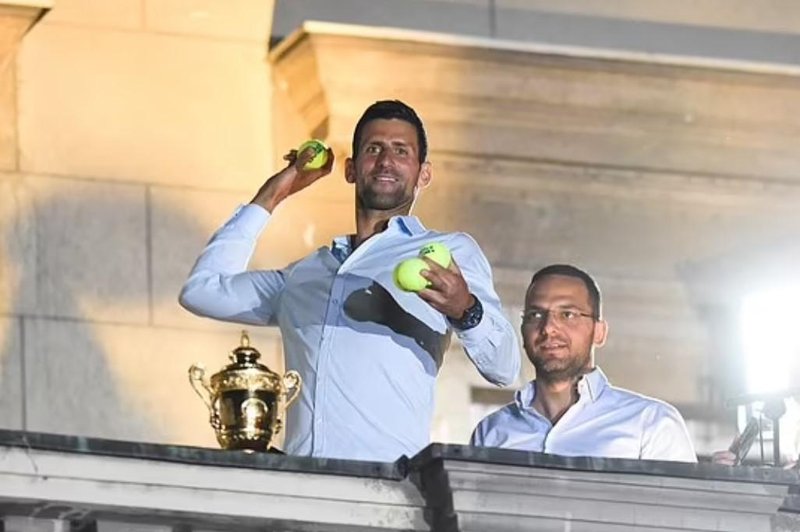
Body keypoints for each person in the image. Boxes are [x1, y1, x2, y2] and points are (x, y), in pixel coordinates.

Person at [180, 100, 520, 462]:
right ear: (351, 169)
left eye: (401, 151)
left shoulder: (448, 252)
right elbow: (202, 291)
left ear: (424, 175)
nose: (386, 160)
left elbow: (504, 368)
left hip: (388, 488)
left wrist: (465, 309)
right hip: (300, 488)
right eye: (374, 149)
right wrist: (274, 193)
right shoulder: (304, 275)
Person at [471, 264, 697, 463]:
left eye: (568, 314)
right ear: (523, 330)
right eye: (536, 315)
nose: (549, 327)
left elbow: (683, 510)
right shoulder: (492, 432)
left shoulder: (651, 425)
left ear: (599, 332)